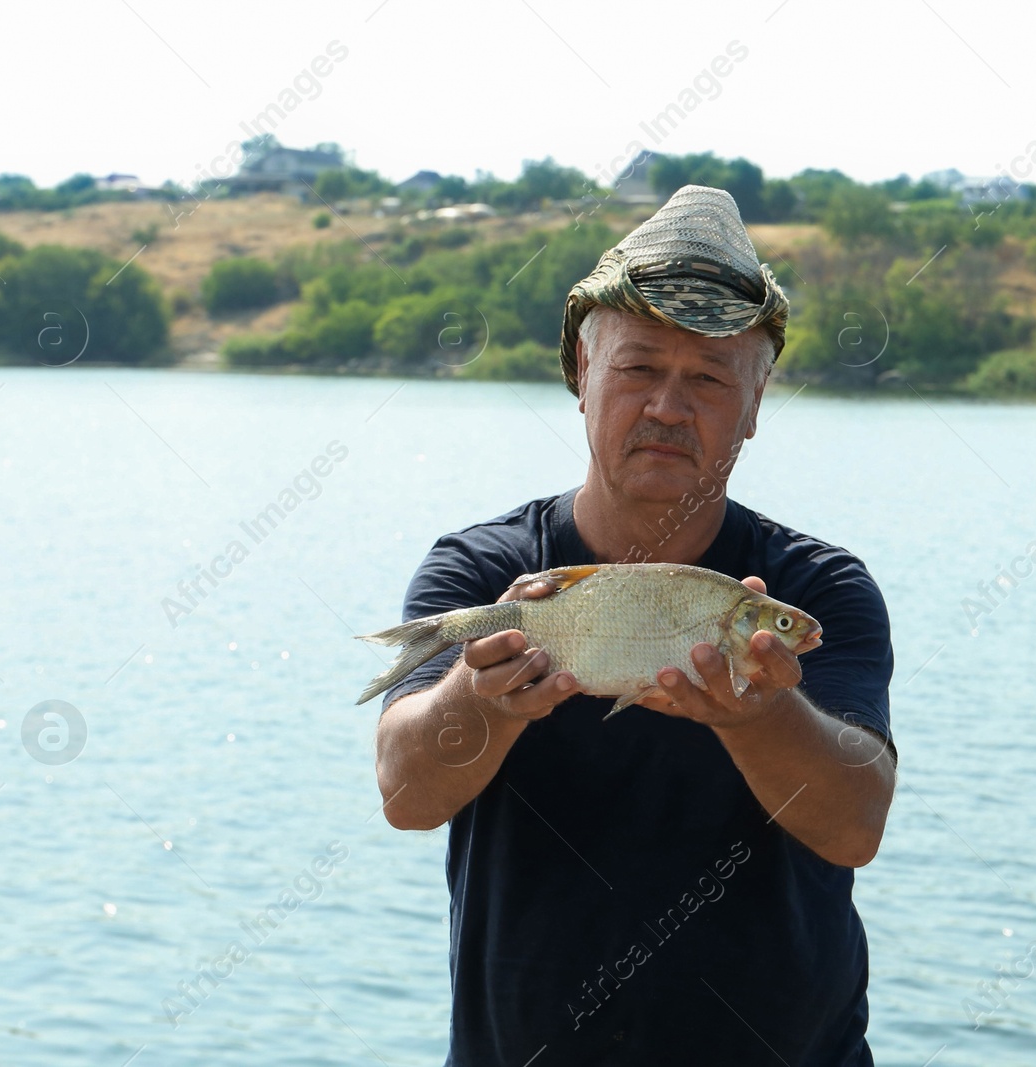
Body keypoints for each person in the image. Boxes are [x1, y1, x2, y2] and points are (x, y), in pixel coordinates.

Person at [374, 185, 896, 1066]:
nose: (667, 405)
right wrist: (488, 697)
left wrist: (761, 717)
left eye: (708, 377)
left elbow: (855, 828)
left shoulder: (818, 590)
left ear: (757, 402)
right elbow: (405, 795)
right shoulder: (480, 572)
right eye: (639, 367)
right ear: (582, 377)